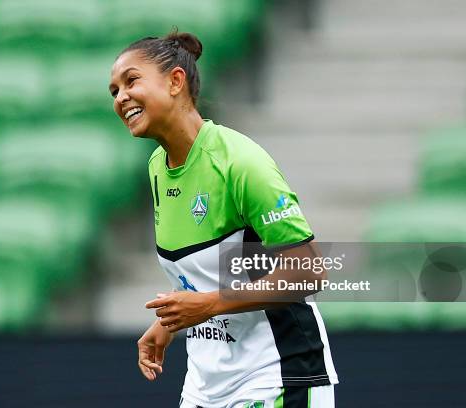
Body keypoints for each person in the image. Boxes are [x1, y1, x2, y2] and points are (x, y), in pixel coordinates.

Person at [109, 30, 338, 408]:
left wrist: (210, 305)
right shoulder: (156, 169)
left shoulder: (239, 161)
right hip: (207, 387)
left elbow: (308, 271)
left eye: (131, 81)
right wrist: (169, 321)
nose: (121, 98)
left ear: (175, 81)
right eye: (114, 91)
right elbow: (203, 274)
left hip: (278, 375)